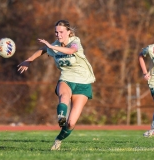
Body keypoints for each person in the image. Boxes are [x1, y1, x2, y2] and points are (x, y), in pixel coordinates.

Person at [17, 20, 96, 150]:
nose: (58, 35)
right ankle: (61, 117)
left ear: (69, 32)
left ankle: (58, 139)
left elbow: (71, 51)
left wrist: (52, 47)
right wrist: (28, 61)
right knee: (64, 96)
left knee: (71, 123)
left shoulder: (75, 41)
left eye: (61, 32)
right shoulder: (54, 45)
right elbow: (43, 50)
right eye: (56, 32)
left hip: (83, 83)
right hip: (66, 79)